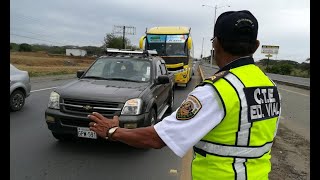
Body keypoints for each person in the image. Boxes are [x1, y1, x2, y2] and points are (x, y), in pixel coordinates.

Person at [88, 10, 281, 180]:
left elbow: (157, 139)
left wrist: (113, 131)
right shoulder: (270, 87)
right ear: (256, 46)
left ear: (216, 44)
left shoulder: (218, 90)